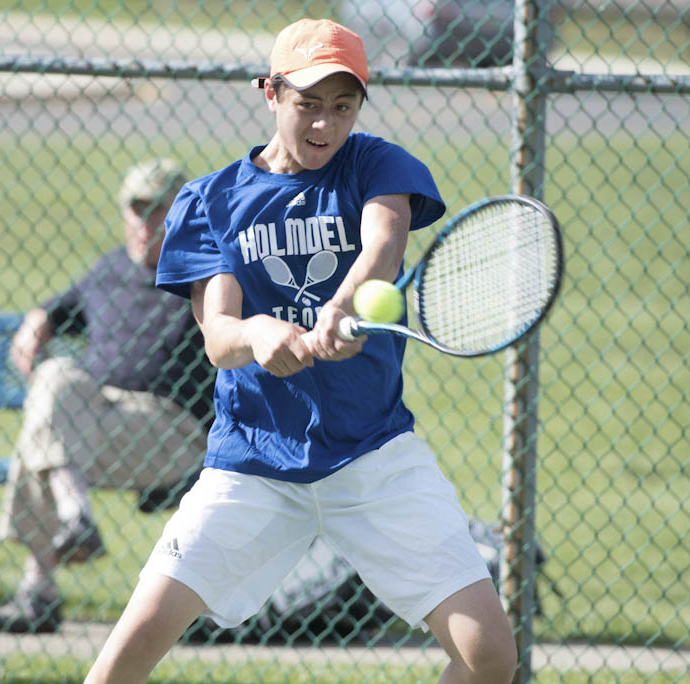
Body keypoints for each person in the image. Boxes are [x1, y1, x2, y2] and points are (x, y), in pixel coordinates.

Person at [84, 19, 517, 684]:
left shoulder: (376, 164)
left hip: (374, 459)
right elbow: (219, 337)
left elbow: (384, 243)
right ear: (270, 93)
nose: (325, 124)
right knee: (132, 646)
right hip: (252, 464)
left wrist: (340, 310)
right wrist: (262, 334)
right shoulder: (211, 201)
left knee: (490, 653)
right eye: (307, 104)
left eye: (342, 107)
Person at [0, 159, 214, 634]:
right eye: (139, 209)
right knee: (54, 380)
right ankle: (74, 520)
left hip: (170, 432)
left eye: (160, 210)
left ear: (185, 213)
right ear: (125, 212)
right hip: (95, 424)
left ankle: (39, 585)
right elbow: (58, 309)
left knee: (43, 431)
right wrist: (37, 319)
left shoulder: (207, 270)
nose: (147, 223)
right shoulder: (108, 269)